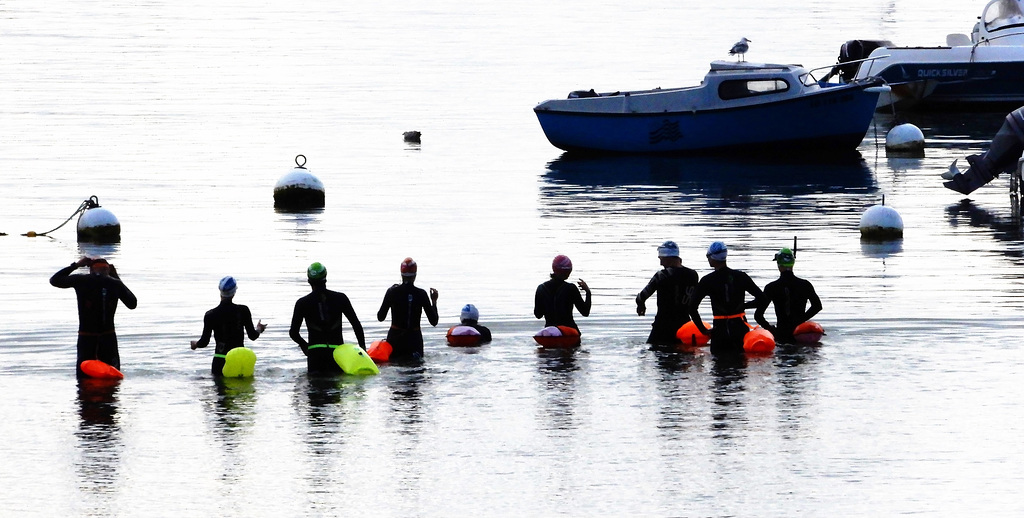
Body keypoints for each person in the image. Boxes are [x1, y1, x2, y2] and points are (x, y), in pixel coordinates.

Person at [50, 257, 138, 377]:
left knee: (84, 378)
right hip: (108, 338)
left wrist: (75, 265)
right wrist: (116, 276)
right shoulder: (115, 283)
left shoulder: (81, 280)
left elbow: (54, 280)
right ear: (108, 270)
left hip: (87, 338)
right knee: (112, 376)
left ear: (91, 270)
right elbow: (132, 303)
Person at [688, 242, 766, 359]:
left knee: (719, 368)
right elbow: (762, 299)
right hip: (739, 329)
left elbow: (692, 307)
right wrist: (743, 306)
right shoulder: (741, 276)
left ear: (712, 257)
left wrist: (703, 330)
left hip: (720, 331)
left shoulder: (707, 280)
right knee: (740, 366)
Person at [290, 262, 367, 374]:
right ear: (325, 278)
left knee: (315, 387)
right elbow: (356, 325)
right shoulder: (341, 298)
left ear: (309, 281)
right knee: (335, 388)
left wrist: (304, 345)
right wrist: (363, 350)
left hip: (315, 355)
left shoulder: (302, 303)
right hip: (337, 353)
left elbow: (293, 333)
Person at [190, 276, 267, 376]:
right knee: (242, 390)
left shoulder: (210, 315)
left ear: (220, 291)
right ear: (234, 292)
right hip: (238, 359)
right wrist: (259, 329)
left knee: (220, 389)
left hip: (220, 359)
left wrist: (195, 344)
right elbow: (253, 336)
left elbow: (204, 342)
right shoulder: (243, 310)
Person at [636, 240, 699, 346]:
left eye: (662, 260)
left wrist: (641, 305)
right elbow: (694, 303)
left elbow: (641, 297)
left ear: (669, 258)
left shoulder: (662, 275)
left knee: (657, 354)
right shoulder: (693, 275)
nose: (661, 263)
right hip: (684, 326)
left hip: (662, 327)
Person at [754, 248, 822, 344]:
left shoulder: (771, 287)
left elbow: (758, 315)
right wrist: (801, 320)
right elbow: (817, 306)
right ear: (793, 263)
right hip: (801, 334)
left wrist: (770, 329)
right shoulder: (805, 285)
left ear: (778, 264)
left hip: (781, 334)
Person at [377, 258, 438, 361]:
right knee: (415, 368)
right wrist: (434, 302)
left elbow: (380, 317)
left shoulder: (392, 292)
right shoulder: (421, 294)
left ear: (401, 274)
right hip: (414, 340)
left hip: (395, 340)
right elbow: (434, 321)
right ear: (415, 275)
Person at [534, 254, 591, 334]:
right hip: (569, 332)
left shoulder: (541, 288)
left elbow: (538, 315)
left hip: (549, 332)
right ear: (569, 271)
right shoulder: (571, 288)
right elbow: (585, 312)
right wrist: (588, 292)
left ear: (554, 269)